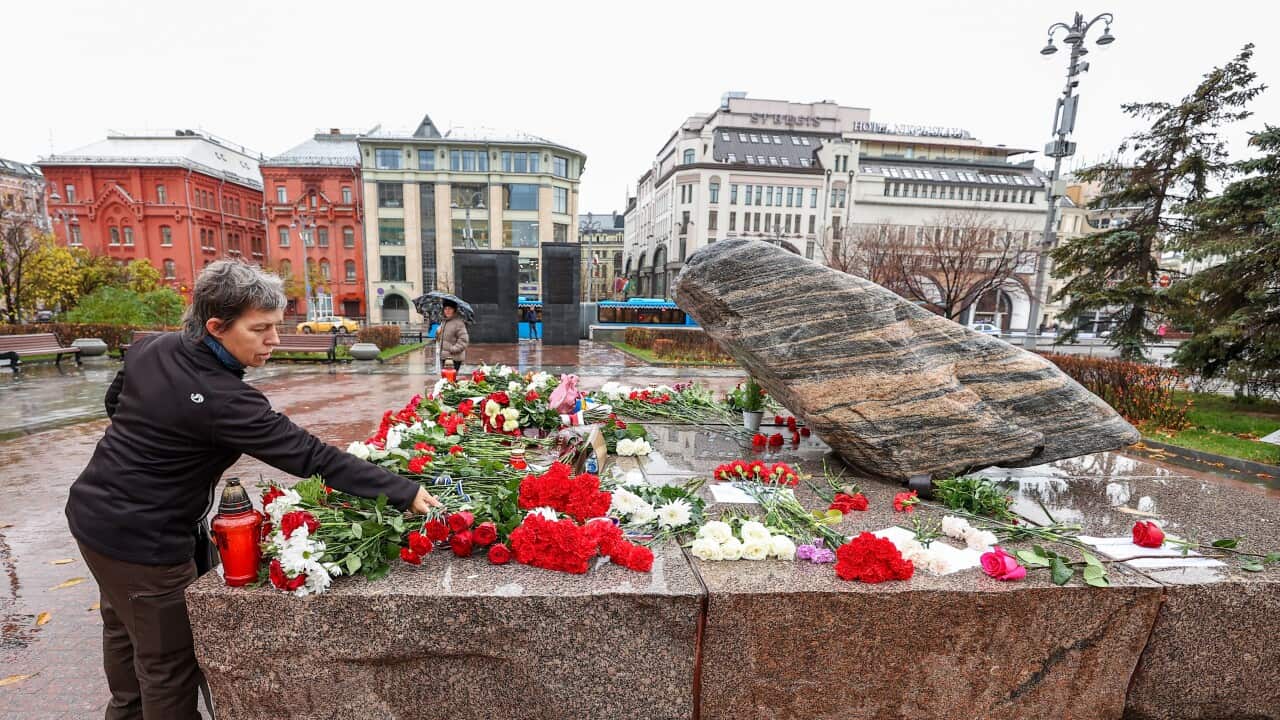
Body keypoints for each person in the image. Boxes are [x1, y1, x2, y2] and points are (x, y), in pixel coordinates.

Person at [65, 260, 441, 719]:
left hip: (93, 517)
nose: (274, 340)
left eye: (276, 327)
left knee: (126, 641)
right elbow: (310, 457)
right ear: (216, 327)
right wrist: (403, 491)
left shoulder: (153, 347)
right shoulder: (225, 400)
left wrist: (154, 447)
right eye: (260, 329)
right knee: (168, 666)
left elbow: (116, 402)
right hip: (146, 541)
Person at [439, 299, 469, 371]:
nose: (447, 311)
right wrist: (438, 334)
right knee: (446, 380)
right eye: (445, 308)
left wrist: (452, 349)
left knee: (450, 379)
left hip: (453, 358)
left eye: (450, 308)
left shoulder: (458, 323)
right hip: (444, 357)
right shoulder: (444, 322)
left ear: (454, 310)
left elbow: (464, 340)